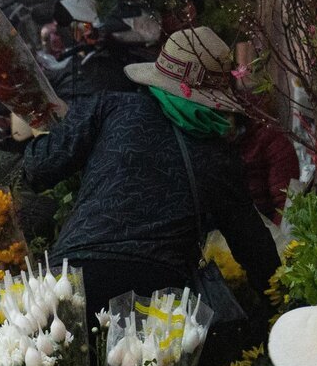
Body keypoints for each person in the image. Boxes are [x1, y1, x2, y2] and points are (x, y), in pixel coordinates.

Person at [16, 26, 279, 310]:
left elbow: (38, 168)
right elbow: (253, 247)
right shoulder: (220, 157)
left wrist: (49, 129)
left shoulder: (111, 108)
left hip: (74, 279)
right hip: (157, 301)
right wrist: (281, 305)